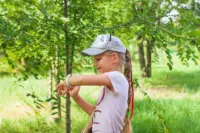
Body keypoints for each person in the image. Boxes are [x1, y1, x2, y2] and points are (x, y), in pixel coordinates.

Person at [56, 34, 134, 133]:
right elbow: (96, 115)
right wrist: (76, 96)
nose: (94, 64)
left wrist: (67, 81)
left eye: (98, 59)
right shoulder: (108, 87)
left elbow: (80, 80)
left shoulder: (118, 78)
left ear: (114, 58)